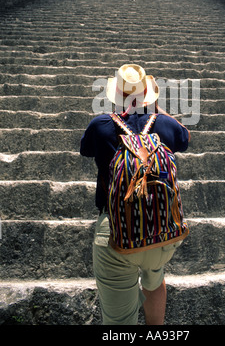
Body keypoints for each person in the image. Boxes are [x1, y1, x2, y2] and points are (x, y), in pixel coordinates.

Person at [80, 64, 190, 325]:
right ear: (148, 94)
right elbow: (185, 136)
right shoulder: (163, 124)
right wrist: (156, 111)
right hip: (161, 228)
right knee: (154, 278)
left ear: (116, 94)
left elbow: (85, 150)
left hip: (116, 233)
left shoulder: (101, 125)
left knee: (120, 324)